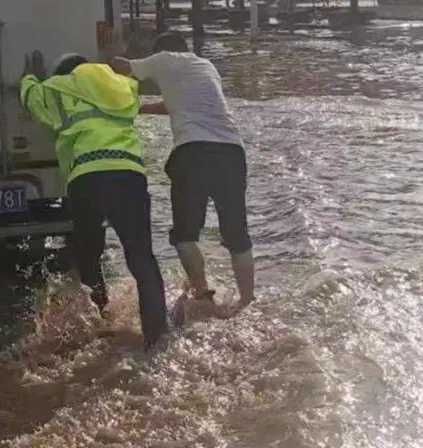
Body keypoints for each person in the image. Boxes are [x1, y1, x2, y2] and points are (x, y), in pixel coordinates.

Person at [20, 51, 169, 350]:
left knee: (88, 256)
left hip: (87, 177)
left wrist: (29, 76)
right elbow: (130, 79)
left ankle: (101, 322)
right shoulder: (122, 87)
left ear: (63, 75)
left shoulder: (56, 89)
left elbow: (31, 100)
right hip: (129, 175)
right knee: (142, 260)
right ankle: (158, 338)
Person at [110, 32, 254, 306]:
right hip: (232, 151)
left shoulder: (164, 59)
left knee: (184, 235)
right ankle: (247, 300)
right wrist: (142, 110)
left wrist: (107, 52)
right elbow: (179, 105)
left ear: (162, 50)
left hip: (193, 154)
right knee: (236, 232)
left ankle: (201, 294)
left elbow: (122, 66)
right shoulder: (206, 66)